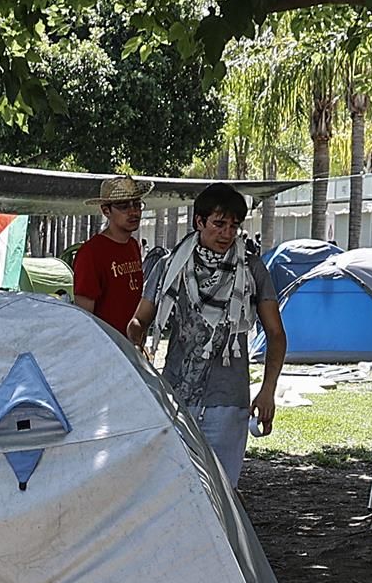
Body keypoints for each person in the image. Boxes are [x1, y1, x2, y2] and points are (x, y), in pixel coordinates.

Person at [126, 182, 282, 486]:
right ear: (199, 222)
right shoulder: (170, 266)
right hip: (176, 395)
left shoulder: (251, 269)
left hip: (228, 399)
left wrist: (268, 391)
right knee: (174, 487)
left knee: (223, 490)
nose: (226, 234)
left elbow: (275, 333)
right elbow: (139, 320)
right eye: (218, 224)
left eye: (233, 226)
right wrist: (138, 345)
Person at [72, 175, 150, 336]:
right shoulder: (91, 253)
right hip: (106, 349)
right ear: (106, 210)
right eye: (123, 206)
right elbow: (84, 316)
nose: (133, 212)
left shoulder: (133, 246)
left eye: (137, 204)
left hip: (131, 346)